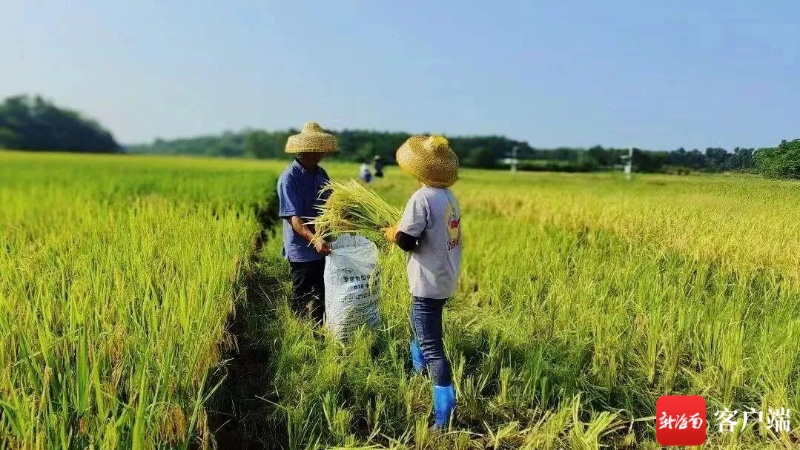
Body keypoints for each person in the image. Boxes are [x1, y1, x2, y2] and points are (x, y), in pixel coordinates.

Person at [382, 135, 461, 430]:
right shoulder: (448, 198)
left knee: (432, 346)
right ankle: (418, 376)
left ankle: (444, 413)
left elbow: (405, 240)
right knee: (420, 327)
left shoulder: (422, 198)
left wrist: (392, 233)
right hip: (445, 278)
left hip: (427, 281)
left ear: (418, 171)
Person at [277, 122, 338, 326]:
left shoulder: (321, 174)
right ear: (308, 150)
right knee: (301, 294)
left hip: (322, 247)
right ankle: (297, 333)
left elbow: (330, 203)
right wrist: (315, 239)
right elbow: (294, 218)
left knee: (322, 293)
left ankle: (318, 331)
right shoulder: (289, 178)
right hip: (302, 250)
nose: (323, 153)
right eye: (319, 149)